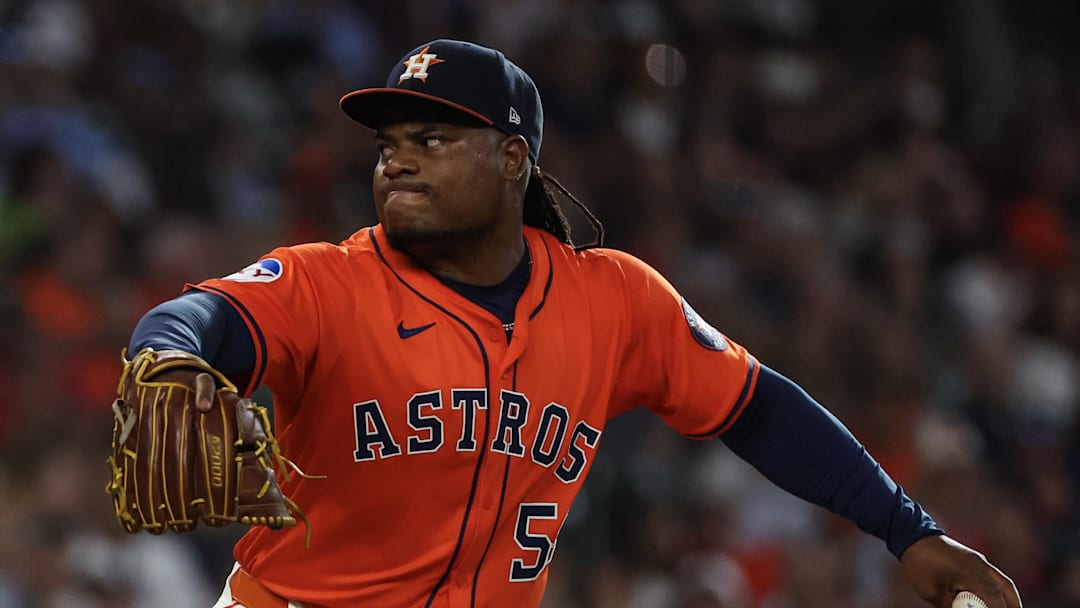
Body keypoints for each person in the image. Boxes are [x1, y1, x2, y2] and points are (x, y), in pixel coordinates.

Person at [123, 39, 1022, 608]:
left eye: (432, 140)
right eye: (390, 143)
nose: (398, 161)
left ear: (514, 157)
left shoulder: (612, 298)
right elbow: (198, 317)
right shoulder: (331, 283)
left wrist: (911, 530)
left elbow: (756, 407)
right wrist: (170, 355)